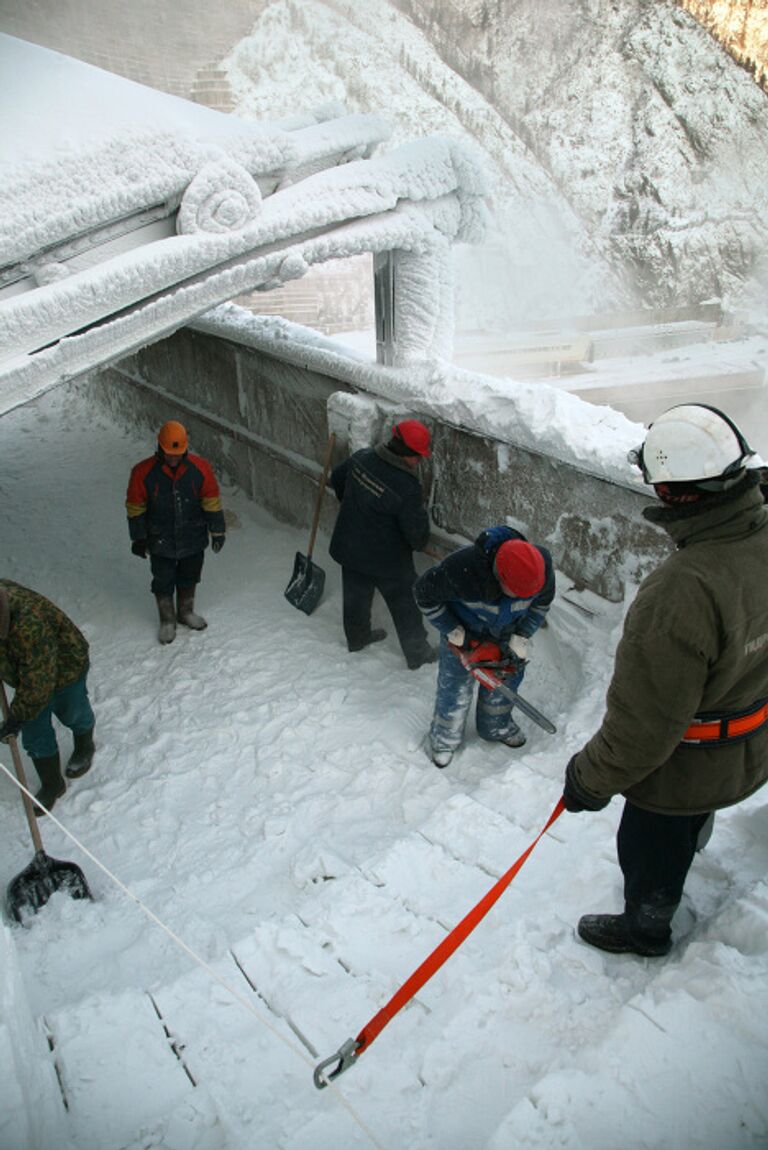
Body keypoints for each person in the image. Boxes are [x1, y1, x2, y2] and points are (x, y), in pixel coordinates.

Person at [562, 403, 768, 957]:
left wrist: (588, 779)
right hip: (750, 742)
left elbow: (644, 728)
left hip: (681, 770)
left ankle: (646, 929)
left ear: (676, 494)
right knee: (688, 827)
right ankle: (690, 845)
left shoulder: (682, 592)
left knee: (651, 847)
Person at [414, 525, 554, 767]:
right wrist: (455, 632)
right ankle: (444, 739)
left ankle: (495, 727)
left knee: (505, 681)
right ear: (500, 576)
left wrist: (522, 635)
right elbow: (423, 595)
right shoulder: (460, 570)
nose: (522, 598)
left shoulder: (540, 567)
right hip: (464, 631)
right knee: (455, 685)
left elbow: (540, 606)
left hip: (508, 633)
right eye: (517, 593)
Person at [329, 419, 437, 670]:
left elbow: (337, 478)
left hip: (350, 546)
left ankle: (357, 638)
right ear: (404, 452)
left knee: (355, 597)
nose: (419, 462)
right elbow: (418, 538)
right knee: (405, 607)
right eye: (417, 457)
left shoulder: (362, 458)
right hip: (387, 561)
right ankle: (418, 654)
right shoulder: (407, 487)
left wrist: (357, 505)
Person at [0, 580, 95, 815]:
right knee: (35, 733)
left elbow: (37, 684)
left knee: (72, 710)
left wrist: (15, 718)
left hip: (65, 667)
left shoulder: (29, 625)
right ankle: (53, 784)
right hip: (27, 669)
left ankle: (85, 746)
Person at [126, 421, 226, 644]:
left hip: (193, 536)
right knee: (163, 579)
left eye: (178, 454)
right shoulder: (142, 473)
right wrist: (139, 537)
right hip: (160, 539)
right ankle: (167, 619)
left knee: (190, 575)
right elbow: (135, 507)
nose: (173, 458)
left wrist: (217, 530)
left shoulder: (200, 469)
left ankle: (185, 611)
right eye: (169, 454)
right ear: (160, 449)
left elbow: (211, 500)